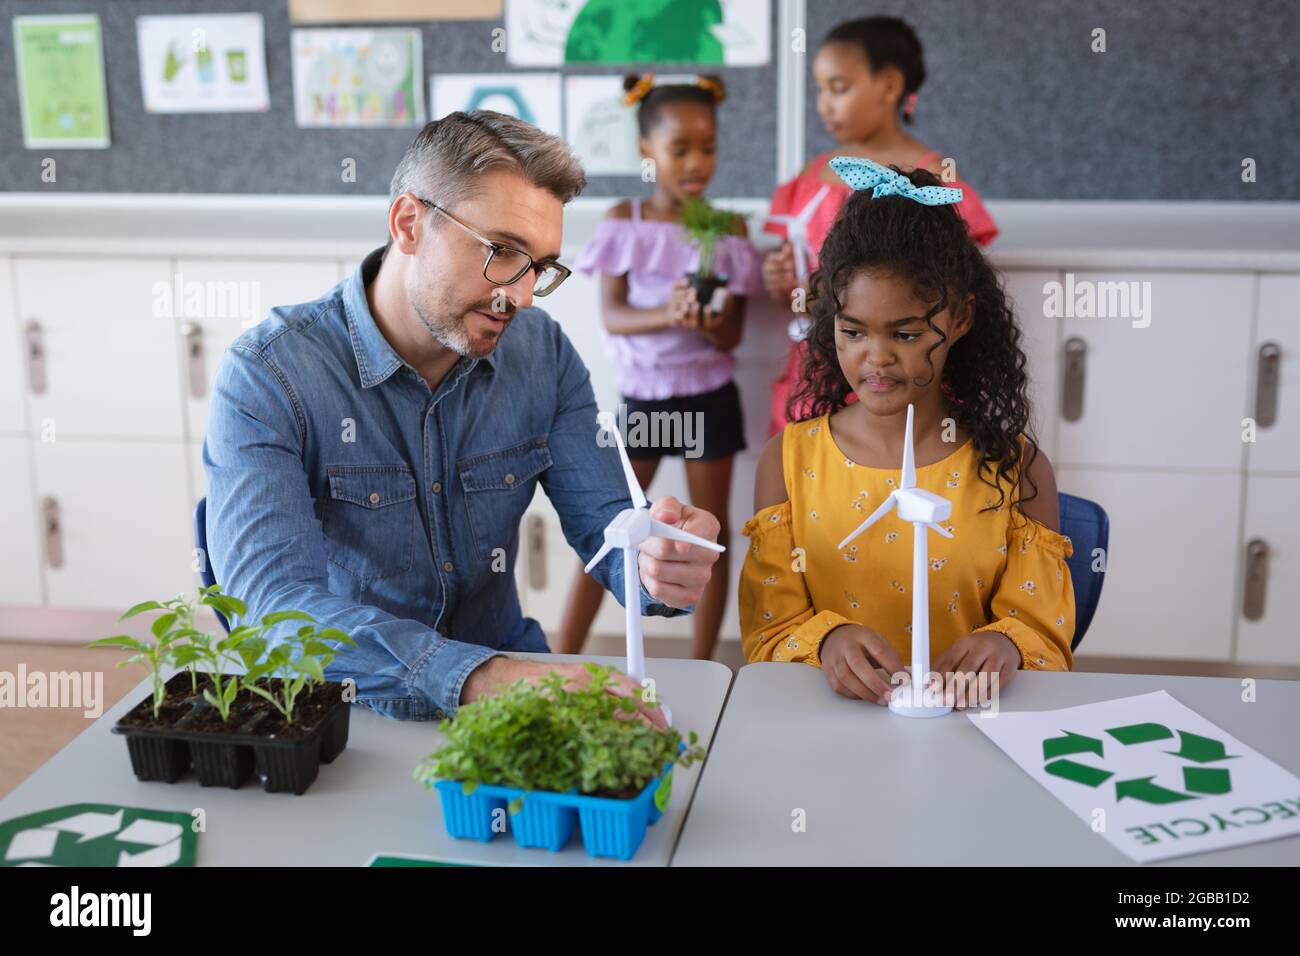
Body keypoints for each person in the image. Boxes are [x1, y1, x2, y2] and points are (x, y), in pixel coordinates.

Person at [204, 111, 723, 724]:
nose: (523, 296)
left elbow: (609, 526)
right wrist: (481, 676)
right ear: (408, 224)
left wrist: (657, 562)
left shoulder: (542, 354)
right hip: (348, 706)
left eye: (541, 265)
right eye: (502, 251)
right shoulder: (270, 375)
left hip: (510, 676)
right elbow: (276, 610)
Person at [739, 158, 1074, 708]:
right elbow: (768, 632)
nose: (877, 358)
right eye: (853, 331)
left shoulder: (1020, 469)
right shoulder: (787, 462)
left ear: (961, 318)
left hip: (968, 733)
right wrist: (825, 641)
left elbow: (1046, 639)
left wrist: (1007, 645)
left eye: (906, 333)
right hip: (828, 738)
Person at [554, 74, 761, 661]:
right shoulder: (629, 219)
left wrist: (703, 322)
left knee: (707, 536)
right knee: (616, 530)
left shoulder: (728, 230)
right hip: (647, 401)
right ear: (647, 151)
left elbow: (733, 333)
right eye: (679, 149)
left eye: (709, 147)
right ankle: (564, 652)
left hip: (710, 398)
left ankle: (703, 665)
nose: (696, 162)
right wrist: (670, 312)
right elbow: (615, 316)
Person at [762, 15, 998, 435]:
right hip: (817, 373)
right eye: (820, 90)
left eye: (839, 87)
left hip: (903, 378)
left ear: (889, 85)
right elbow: (797, 290)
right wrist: (784, 283)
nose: (824, 104)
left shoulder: (935, 177)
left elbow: (957, 284)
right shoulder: (811, 178)